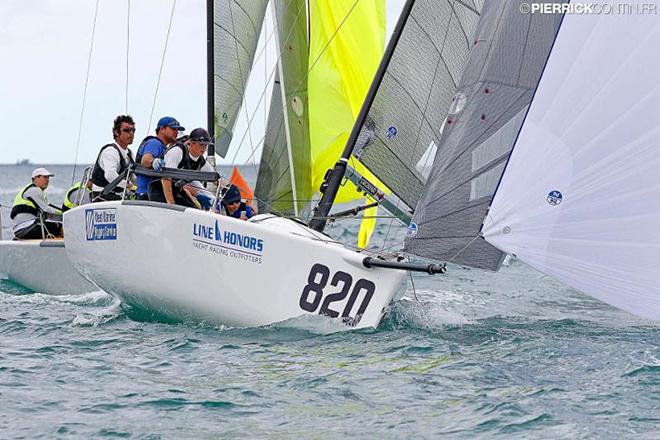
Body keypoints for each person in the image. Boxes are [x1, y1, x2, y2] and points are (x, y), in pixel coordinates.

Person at [151, 127, 215, 207]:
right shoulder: (177, 152)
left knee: (194, 209)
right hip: (159, 188)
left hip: (177, 190)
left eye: (206, 145)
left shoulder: (200, 161)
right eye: (201, 144)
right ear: (191, 143)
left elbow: (214, 176)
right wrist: (171, 203)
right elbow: (166, 178)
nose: (204, 148)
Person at [135, 116, 185, 200]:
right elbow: (145, 160)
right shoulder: (154, 143)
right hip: (147, 195)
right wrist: (154, 161)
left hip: (154, 194)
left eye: (177, 130)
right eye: (173, 129)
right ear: (162, 129)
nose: (176, 132)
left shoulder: (163, 147)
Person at [90, 115, 136, 201]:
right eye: (126, 130)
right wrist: (129, 186)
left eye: (133, 130)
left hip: (119, 196)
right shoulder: (110, 151)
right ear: (116, 132)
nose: (131, 133)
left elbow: (133, 177)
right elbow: (110, 175)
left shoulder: (130, 154)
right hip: (101, 196)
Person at [10, 168, 63, 239]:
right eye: (44, 177)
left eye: (48, 178)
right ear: (35, 178)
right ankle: (66, 248)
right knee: (58, 226)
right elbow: (47, 210)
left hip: (19, 230)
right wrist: (66, 215)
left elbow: (46, 215)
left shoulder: (28, 189)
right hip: (28, 228)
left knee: (52, 225)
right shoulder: (35, 190)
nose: (47, 180)